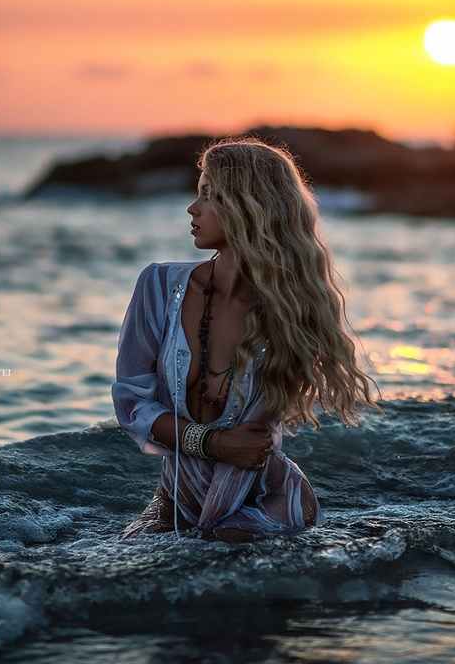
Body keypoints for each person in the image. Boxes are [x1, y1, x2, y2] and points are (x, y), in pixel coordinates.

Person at [112, 137, 379, 541]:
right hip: (176, 494)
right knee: (116, 562)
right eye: (197, 193)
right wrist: (215, 443)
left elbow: (254, 441)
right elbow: (131, 404)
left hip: (265, 496)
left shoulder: (290, 310)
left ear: (249, 207)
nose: (192, 207)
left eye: (209, 195)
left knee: (219, 552)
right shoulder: (159, 286)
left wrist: (223, 447)